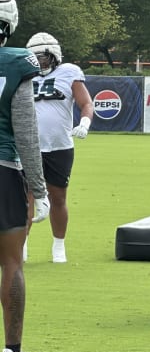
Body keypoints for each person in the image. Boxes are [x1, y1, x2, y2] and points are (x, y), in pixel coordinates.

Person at [0, 0, 49, 352]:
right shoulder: (17, 62)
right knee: (12, 263)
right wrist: (40, 189)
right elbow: (26, 134)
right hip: (3, 170)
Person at [24, 32, 93, 263]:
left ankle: (58, 246)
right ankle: (21, 246)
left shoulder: (69, 72)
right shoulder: (23, 74)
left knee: (58, 197)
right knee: (26, 198)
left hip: (59, 146)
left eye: (44, 57)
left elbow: (86, 103)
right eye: (36, 58)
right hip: (28, 146)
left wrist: (84, 122)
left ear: (54, 56)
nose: (41, 63)